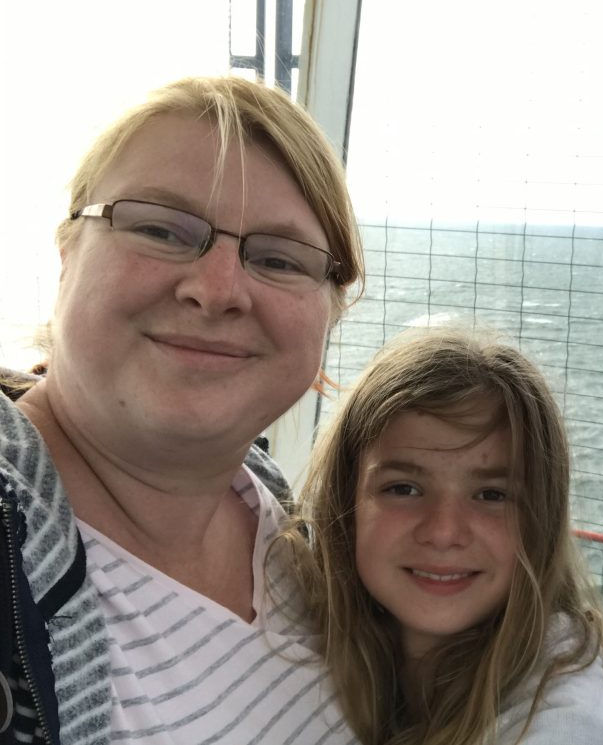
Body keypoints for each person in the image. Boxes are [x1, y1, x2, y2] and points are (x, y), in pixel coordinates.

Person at [1, 76, 363, 744]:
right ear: (67, 253)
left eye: (280, 259)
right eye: (161, 229)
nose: (217, 289)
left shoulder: (276, 512)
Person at [282, 328, 603, 745]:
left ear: (540, 523)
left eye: (491, 495)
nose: (443, 532)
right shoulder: (315, 633)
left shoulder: (571, 723)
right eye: (404, 489)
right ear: (346, 505)